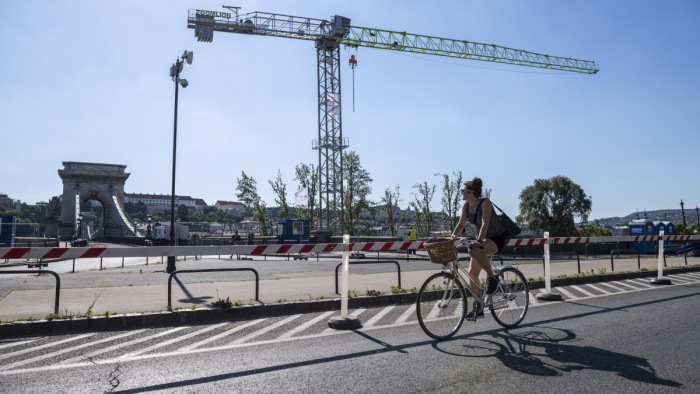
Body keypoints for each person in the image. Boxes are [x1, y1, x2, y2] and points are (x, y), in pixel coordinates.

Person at [451, 177, 506, 318]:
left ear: (470, 192)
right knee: (472, 274)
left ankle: (493, 278)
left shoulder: (485, 203)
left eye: (462, 190)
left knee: (472, 249)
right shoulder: (466, 207)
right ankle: (479, 307)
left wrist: (479, 240)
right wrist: (451, 239)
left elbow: (485, 222)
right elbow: (461, 225)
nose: (461, 193)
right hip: (482, 240)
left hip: (496, 238)